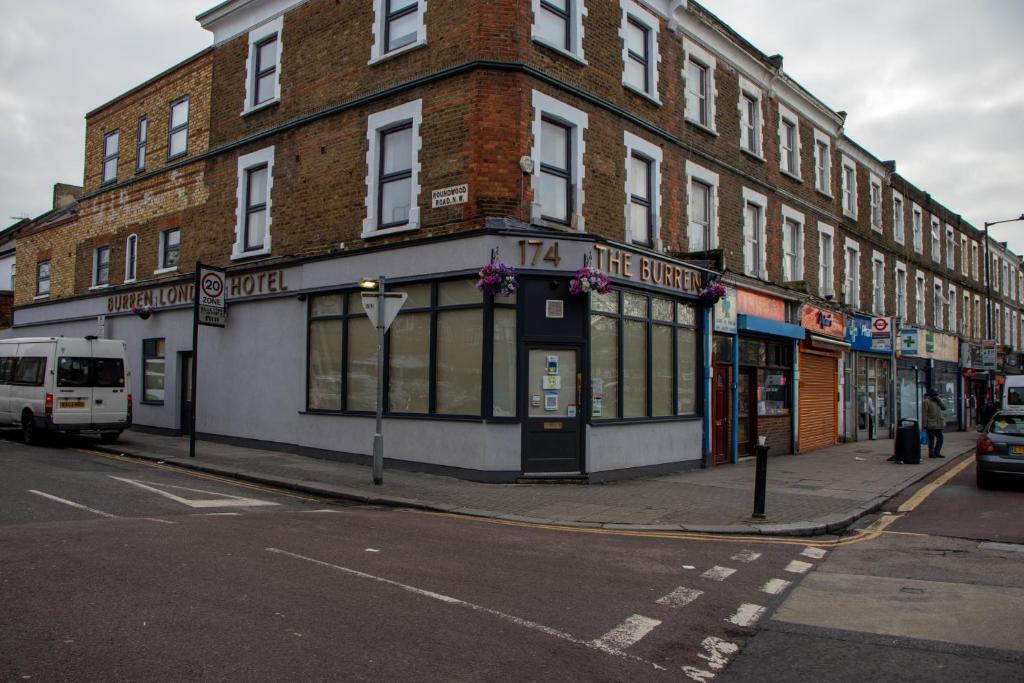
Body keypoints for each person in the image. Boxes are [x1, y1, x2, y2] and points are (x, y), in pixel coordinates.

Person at [922, 389, 946, 458]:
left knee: (940, 439)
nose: (935, 396)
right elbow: (924, 414)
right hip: (931, 424)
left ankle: (937, 452)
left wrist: (939, 400)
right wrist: (924, 425)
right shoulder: (926, 402)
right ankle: (931, 453)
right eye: (934, 395)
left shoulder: (938, 401)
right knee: (931, 440)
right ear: (930, 395)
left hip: (939, 423)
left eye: (936, 395)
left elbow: (944, 408)